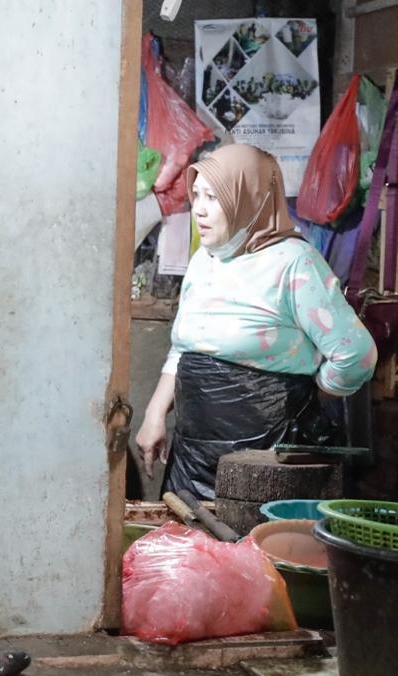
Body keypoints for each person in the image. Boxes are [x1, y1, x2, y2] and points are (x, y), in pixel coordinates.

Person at [136, 144, 377, 500]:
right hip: (194, 458)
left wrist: (310, 396)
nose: (199, 209)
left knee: (260, 550)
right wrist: (155, 413)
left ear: (250, 198)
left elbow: (356, 355)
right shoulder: (205, 259)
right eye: (197, 195)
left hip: (270, 460)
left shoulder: (294, 263)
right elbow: (185, 345)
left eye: (213, 198)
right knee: (194, 548)